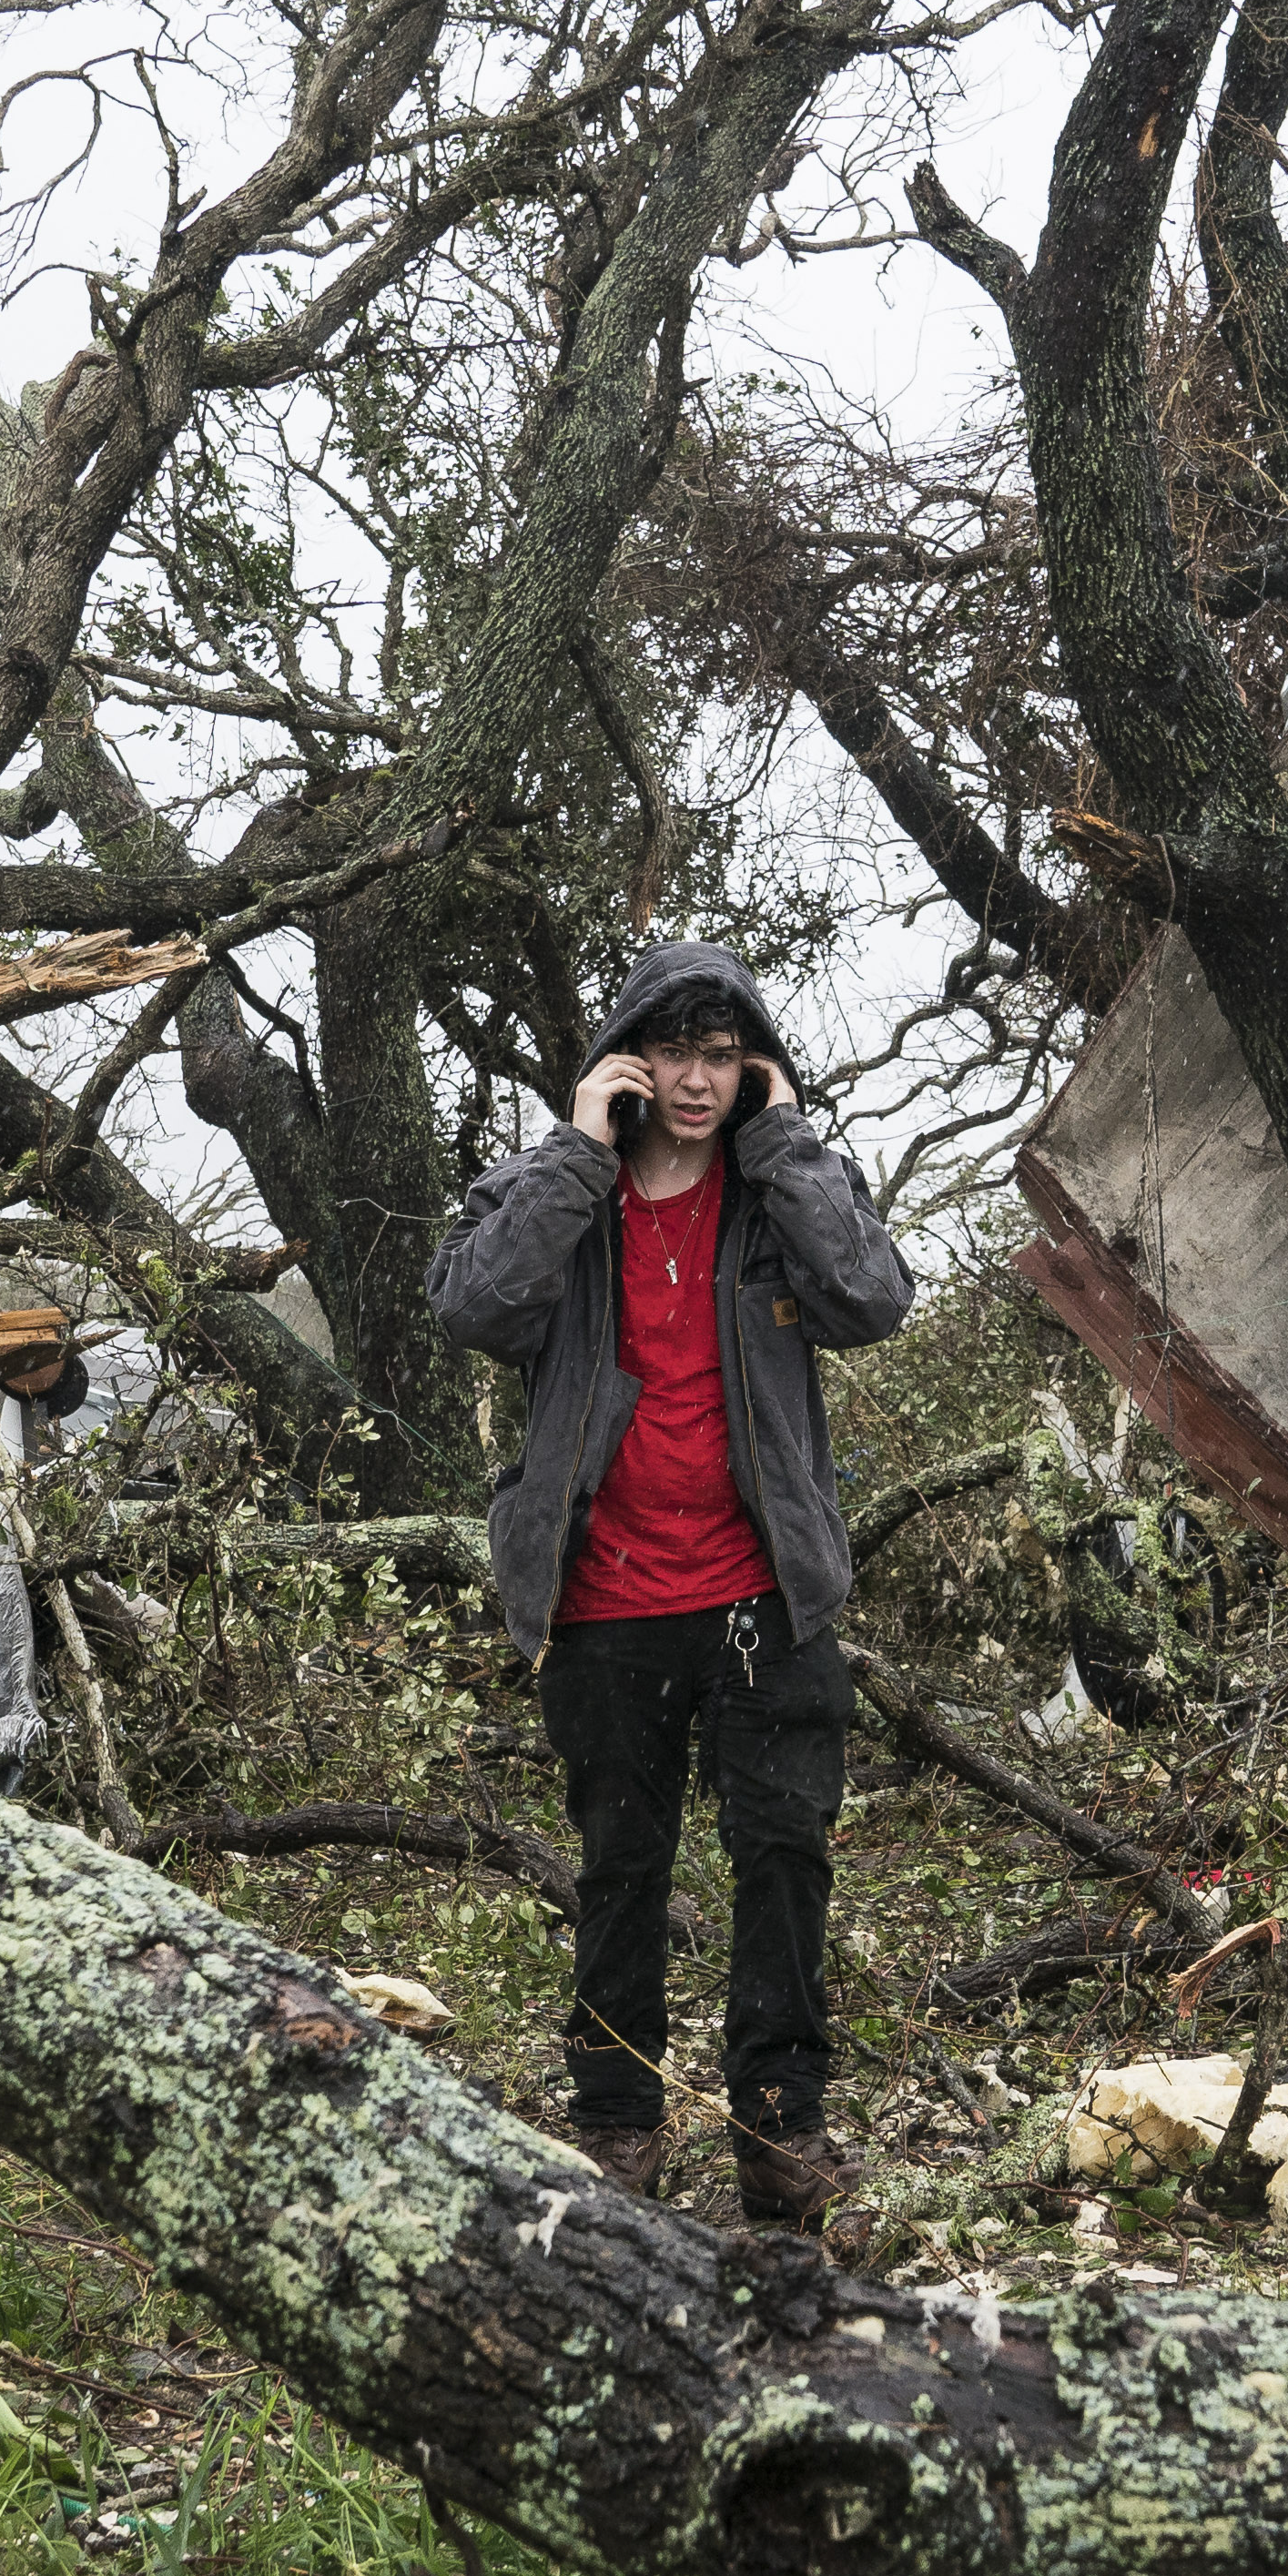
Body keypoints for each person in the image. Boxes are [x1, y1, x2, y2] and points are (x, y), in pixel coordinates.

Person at [426, 942, 916, 2227]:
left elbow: (870, 1299)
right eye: (673, 1053)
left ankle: (779, 2131)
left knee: (784, 1859)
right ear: (627, 1059)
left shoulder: (777, 1194)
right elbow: (472, 1308)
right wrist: (579, 1154)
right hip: (602, 1593)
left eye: (720, 1055)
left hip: (765, 1591)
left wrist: (792, 1143)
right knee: (619, 1867)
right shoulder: (552, 1191)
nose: (695, 1083)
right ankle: (615, 2123)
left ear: (746, 1066)